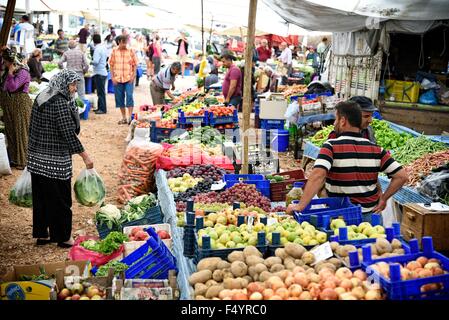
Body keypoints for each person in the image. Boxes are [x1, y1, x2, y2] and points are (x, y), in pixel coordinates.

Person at [286, 101, 408, 222]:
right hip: (371, 219)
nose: (334, 123)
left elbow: (318, 175)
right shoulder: (377, 149)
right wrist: (384, 199)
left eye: (336, 119)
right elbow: (401, 176)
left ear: (343, 121)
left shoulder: (330, 146)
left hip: (341, 218)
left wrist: (300, 206)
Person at [27, 69, 94, 248]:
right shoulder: (59, 103)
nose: (74, 88)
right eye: (72, 85)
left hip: (36, 159)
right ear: (64, 83)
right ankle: (63, 237)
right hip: (54, 161)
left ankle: (42, 234)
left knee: (41, 198)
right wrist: (85, 157)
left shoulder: (43, 95)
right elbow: (68, 133)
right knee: (61, 200)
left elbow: (31, 126)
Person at [0, 47, 33, 169]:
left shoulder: (23, 72)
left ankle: (22, 160)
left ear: (13, 62)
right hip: (10, 105)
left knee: (20, 132)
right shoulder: (8, 69)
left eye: (6, 61)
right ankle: (13, 158)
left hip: (20, 104)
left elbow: (13, 87)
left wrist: (9, 74)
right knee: (11, 131)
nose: (4, 63)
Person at [109, 35, 138, 125]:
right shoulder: (114, 51)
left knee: (129, 96)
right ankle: (124, 117)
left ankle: (129, 117)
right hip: (117, 79)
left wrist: (133, 76)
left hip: (128, 78)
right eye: (123, 42)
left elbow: (135, 64)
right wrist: (112, 77)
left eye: (126, 42)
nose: (125, 44)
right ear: (119, 42)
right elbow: (111, 64)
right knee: (119, 98)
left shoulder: (131, 51)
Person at [91, 34, 108, 115]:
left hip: (99, 72)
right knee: (100, 91)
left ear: (93, 40)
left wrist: (89, 61)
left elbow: (95, 61)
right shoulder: (103, 47)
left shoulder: (97, 49)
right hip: (103, 71)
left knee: (100, 92)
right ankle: (100, 107)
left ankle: (102, 109)